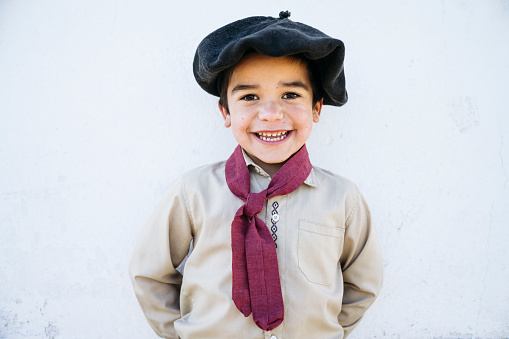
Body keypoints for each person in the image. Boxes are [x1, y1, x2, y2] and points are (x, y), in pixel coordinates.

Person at [129, 11, 383, 339]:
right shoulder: (194, 193)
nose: (271, 114)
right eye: (249, 97)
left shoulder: (342, 198)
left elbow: (362, 284)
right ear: (225, 112)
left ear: (316, 107)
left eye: (291, 95)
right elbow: (150, 274)